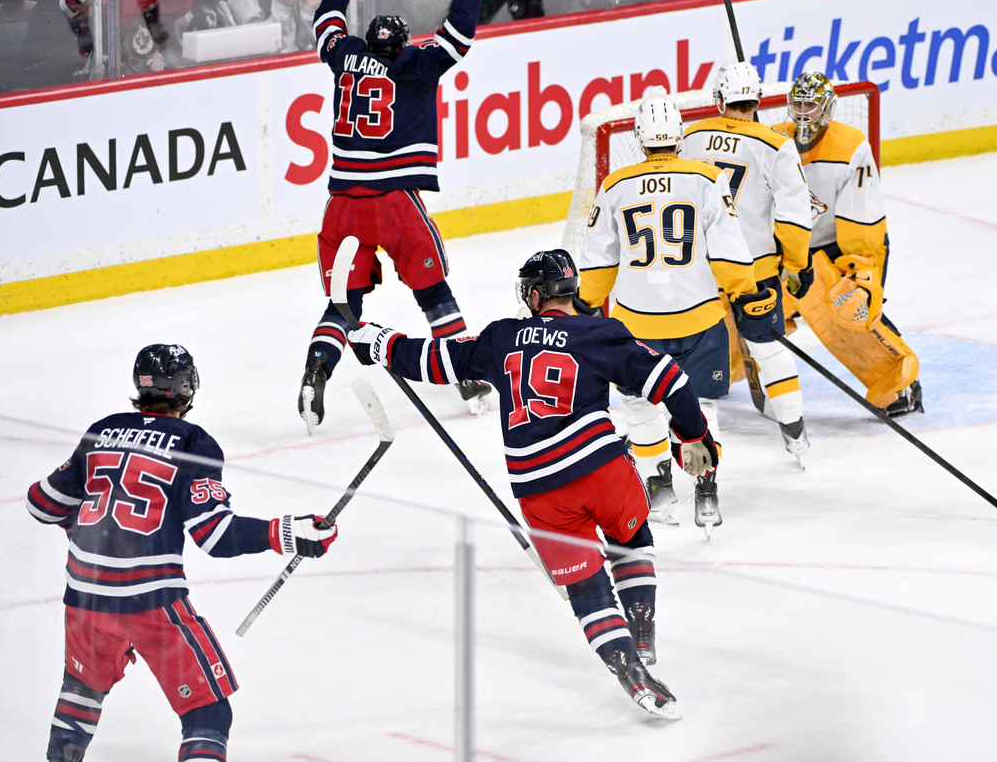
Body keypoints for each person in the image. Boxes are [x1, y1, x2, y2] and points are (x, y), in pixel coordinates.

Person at [346, 249, 719, 719]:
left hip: (538, 489)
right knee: (632, 536)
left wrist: (379, 343)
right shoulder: (599, 332)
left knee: (586, 590)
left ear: (535, 294)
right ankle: (641, 635)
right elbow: (673, 381)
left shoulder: (502, 336)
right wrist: (694, 435)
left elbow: (438, 361)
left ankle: (631, 673)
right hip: (601, 469)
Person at [27, 344, 337, 762]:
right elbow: (217, 535)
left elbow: (41, 504)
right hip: (149, 600)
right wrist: (288, 532)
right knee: (207, 712)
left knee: (82, 691)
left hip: (83, 596)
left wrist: (86, 529)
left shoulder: (103, 428)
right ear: (188, 388)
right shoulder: (192, 442)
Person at [297, 0, 493, 434]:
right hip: (393, 201)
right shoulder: (416, 64)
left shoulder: (344, 58)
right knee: (432, 292)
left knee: (345, 302)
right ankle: (466, 375)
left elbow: (327, 22)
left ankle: (318, 365)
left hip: (342, 204)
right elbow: (460, 34)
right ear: (403, 43)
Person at [575, 96, 778, 533]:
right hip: (700, 321)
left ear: (641, 139)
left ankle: (660, 487)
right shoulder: (707, 177)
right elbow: (728, 248)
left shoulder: (615, 185)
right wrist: (745, 292)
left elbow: (597, 260)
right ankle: (706, 491)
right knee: (701, 404)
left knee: (640, 407)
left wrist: (587, 305)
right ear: (679, 133)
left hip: (635, 325)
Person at [682, 62, 813, 467]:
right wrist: (797, 263)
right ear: (758, 100)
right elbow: (793, 216)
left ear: (719, 100)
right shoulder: (776, 144)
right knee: (769, 349)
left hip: (701, 272)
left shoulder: (690, 135)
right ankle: (795, 435)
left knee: (702, 361)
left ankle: (704, 459)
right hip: (754, 270)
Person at [776, 72, 923, 416]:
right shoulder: (776, 141)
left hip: (842, 247)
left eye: (809, 104)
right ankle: (716, 374)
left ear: (826, 107)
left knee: (851, 312)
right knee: (747, 306)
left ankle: (900, 385)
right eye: (796, 103)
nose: (801, 112)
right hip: (793, 250)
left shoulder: (851, 146)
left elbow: (863, 215)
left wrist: (859, 272)